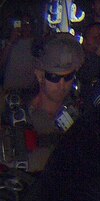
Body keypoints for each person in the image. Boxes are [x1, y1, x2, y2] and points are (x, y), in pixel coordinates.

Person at [0, 32, 83, 173]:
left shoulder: (79, 114)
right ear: (40, 75)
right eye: (54, 77)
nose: (62, 84)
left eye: (68, 77)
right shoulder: (11, 105)